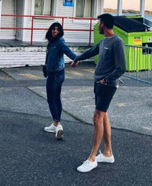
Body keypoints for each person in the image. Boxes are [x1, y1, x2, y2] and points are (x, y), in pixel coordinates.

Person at [71, 13, 126, 173]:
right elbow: (91, 51)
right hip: (99, 84)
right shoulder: (104, 42)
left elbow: (121, 68)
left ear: (103, 24)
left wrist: (106, 80)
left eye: (98, 23)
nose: (97, 25)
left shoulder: (117, 42)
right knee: (104, 116)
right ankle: (108, 153)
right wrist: (78, 58)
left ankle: (92, 158)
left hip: (107, 85)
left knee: (97, 117)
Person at [43, 22, 78, 140]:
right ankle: (55, 124)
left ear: (60, 31)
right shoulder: (52, 41)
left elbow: (67, 51)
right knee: (57, 98)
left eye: (57, 29)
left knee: (51, 99)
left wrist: (75, 58)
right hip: (58, 73)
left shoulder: (60, 42)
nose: (55, 31)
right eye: (53, 29)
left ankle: (57, 125)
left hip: (55, 75)